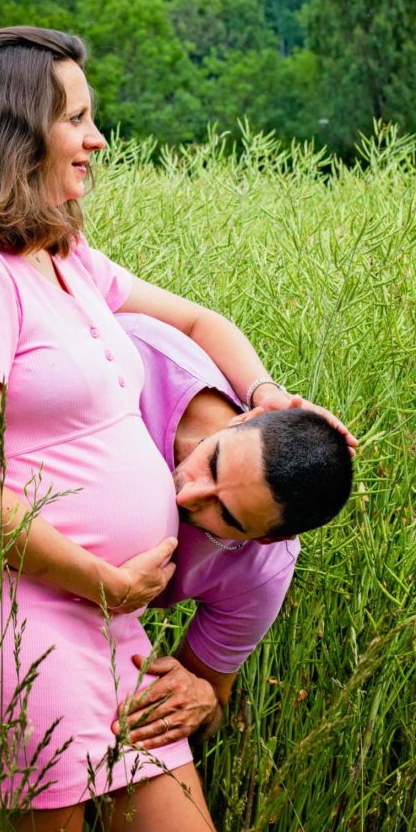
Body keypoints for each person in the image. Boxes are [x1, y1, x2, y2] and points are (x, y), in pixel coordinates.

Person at [0, 25, 350, 832]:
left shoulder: (62, 256)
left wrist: (265, 395)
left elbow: (193, 317)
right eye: (76, 119)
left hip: (109, 619)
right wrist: (101, 581)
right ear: (14, 131)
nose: (95, 139)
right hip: (25, 610)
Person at [110, 313, 354, 750]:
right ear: (246, 419)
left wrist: (201, 701)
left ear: (266, 538)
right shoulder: (138, 357)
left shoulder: (262, 569)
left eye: (224, 513)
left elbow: (212, 698)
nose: (187, 496)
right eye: (213, 461)